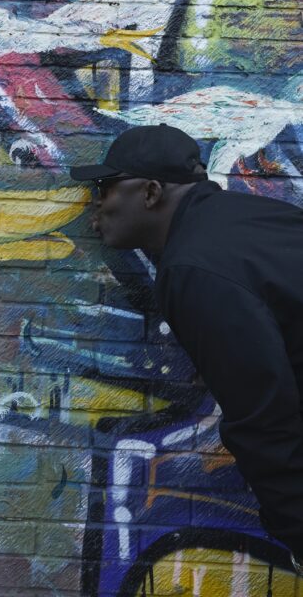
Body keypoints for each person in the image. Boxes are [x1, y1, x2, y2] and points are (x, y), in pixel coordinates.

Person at [70, 123, 303, 576]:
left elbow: (262, 410)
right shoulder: (248, 219)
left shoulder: (193, 266)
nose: (96, 203)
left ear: (151, 192)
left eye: (105, 186)